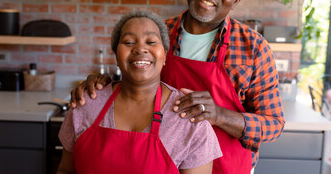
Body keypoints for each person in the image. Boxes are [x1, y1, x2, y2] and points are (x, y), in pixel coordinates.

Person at [70, 0, 285, 173]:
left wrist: (219, 115)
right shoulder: (159, 35)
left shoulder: (254, 48)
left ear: (236, 0)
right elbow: (135, 84)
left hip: (228, 168)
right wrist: (100, 85)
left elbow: (274, 125)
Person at [57, 10, 222, 174]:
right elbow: (65, 170)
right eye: (129, 42)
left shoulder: (189, 119)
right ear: (116, 54)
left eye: (151, 42)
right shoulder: (86, 104)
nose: (140, 48)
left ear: (165, 55)